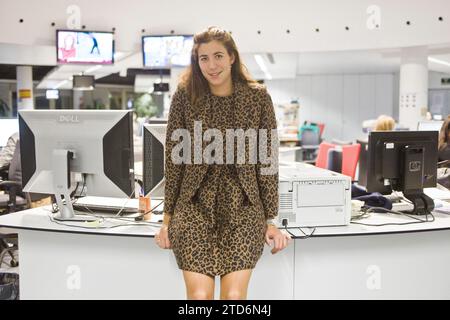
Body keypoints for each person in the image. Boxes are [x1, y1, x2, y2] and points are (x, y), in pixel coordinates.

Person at [154, 26, 291, 300]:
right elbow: (174, 160)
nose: (211, 65)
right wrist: (167, 220)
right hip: (194, 205)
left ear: (231, 57)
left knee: (233, 297)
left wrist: (271, 219)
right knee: (200, 297)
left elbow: (267, 161)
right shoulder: (185, 96)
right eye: (204, 58)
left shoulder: (257, 98)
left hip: (243, 206)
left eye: (218, 56)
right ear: (197, 62)